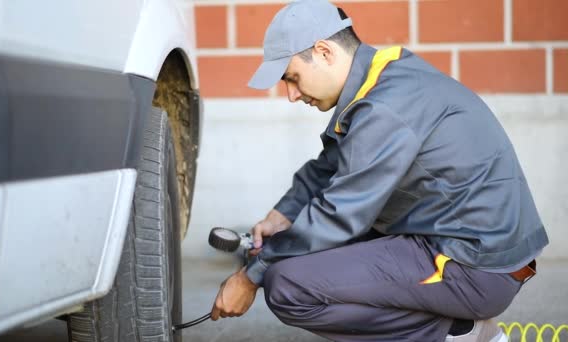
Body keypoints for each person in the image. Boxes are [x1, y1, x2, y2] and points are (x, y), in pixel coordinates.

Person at [209, 0, 549, 341]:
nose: (292, 95)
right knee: (299, 255)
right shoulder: (383, 76)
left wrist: (251, 275)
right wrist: (282, 215)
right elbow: (331, 167)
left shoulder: (385, 106)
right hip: (460, 243)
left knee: (287, 286)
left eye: (292, 78)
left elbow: (341, 213)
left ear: (324, 52)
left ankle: (461, 333)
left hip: (474, 267)